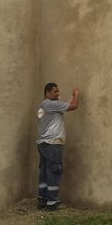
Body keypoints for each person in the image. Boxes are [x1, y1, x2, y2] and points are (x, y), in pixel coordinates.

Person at [36, 83, 80, 211]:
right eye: (55, 92)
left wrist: (58, 100)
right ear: (47, 93)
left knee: (44, 172)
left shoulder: (42, 106)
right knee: (54, 171)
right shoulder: (51, 104)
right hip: (53, 143)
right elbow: (73, 106)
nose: (57, 94)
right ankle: (52, 202)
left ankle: (42, 199)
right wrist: (76, 94)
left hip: (43, 143)